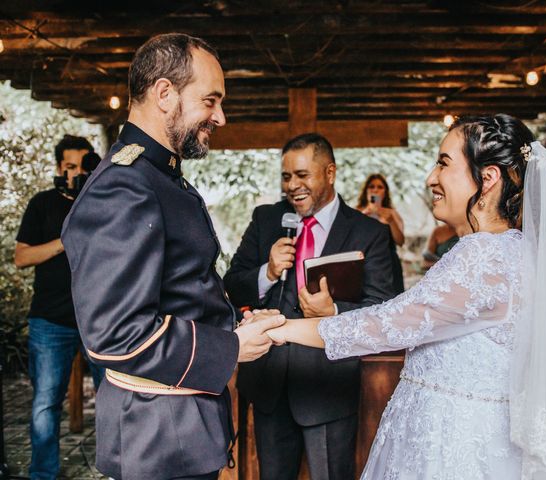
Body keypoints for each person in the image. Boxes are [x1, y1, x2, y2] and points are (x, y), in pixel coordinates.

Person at [264, 114, 546, 479]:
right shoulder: (518, 250)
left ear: (487, 179)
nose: (431, 178)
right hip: (484, 437)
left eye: (443, 163)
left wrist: (281, 328)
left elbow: (388, 324)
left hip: (452, 446)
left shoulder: (482, 256)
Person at [61, 33, 284, 480]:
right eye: (211, 100)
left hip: (178, 427)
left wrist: (234, 321)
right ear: (165, 93)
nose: (220, 116)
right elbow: (115, 334)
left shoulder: (161, 177)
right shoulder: (124, 186)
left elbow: (181, 291)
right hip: (156, 434)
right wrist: (232, 346)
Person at [223, 133, 395, 480]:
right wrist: (267, 272)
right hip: (269, 383)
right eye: (286, 176)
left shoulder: (370, 233)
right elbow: (232, 284)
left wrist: (332, 313)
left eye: (303, 175)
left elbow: (383, 309)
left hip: (327, 385)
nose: (292, 185)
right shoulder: (266, 219)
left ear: (329, 173)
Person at [14, 134, 104, 480]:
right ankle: (43, 475)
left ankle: (116, 469)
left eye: (82, 166)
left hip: (97, 320)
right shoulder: (42, 204)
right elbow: (21, 257)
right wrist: (63, 243)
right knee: (45, 404)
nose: (75, 173)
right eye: (68, 167)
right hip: (50, 321)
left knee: (112, 398)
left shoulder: (100, 202)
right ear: (57, 168)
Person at [356, 173, 405, 293]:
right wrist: (363, 216)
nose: (375, 190)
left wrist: (391, 221)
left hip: (389, 262)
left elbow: (400, 241)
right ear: (366, 190)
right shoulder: (357, 212)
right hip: (364, 262)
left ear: (385, 192)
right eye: (371, 187)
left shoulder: (391, 213)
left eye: (380, 187)